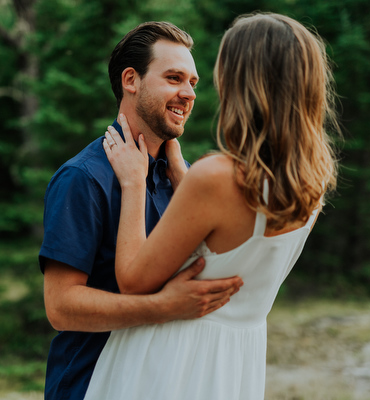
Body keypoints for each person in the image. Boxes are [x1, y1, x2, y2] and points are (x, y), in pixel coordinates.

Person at [83, 12, 339, 400]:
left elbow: (133, 281)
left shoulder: (216, 176)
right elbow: (233, 240)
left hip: (170, 358)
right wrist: (183, 176)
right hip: (235, 363)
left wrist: (135, 183)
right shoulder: (313, 181)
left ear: (243, 80)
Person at [39, 21, 243, 400]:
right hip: (91, 384)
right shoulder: (83, 177)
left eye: (193, 83)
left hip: (158, 382)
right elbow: (61, 306)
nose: (188, 94)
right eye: (173, 78)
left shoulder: (180, 176)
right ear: (131, 80)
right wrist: (160, 307)